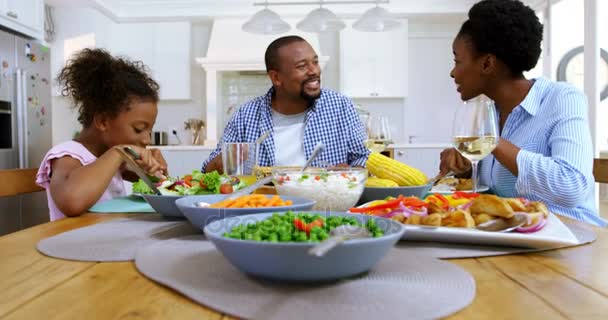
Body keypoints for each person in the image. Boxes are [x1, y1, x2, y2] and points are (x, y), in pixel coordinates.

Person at [439, 0, 606, 226]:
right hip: (517, 241)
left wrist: (494, 143)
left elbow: (571, 186)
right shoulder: (489, 110)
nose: (452, 72)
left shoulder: (562, 98)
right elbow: (498, 192)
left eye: (457, 61)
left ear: (487, 63)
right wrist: (466, 168)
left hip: (573, 242)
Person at [202, 35, 369, 172]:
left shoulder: (340, 106)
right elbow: (208, 171)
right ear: (276, 78)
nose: (314, 71)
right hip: (264, 207)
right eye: (302, 66)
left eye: (315, 62)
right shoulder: (246, 115)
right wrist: (226, 161)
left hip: (325, 206)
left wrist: (350, 172)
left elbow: (363, 157)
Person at [36, 48, 168, 221]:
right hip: (71, 245)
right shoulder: (68, 155)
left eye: (149, 131)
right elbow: (72, 202)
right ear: (103, 121)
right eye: (138, 129)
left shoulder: (109, 158)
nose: (147, 139)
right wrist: (119, 152)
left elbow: (160, 189)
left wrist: (155, 171)